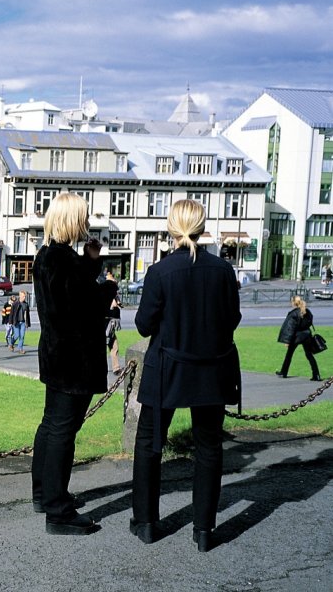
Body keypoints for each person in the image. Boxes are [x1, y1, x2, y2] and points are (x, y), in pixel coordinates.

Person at [131, 199, 242, 552]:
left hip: (168, 367)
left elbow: (144, 324)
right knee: (209, 448)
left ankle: (147, 521)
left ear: (171, 227)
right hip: (212, 367)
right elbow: (233, 318)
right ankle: (204, 530)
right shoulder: (223, 270)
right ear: (201, 225)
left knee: (149, 444)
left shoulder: (161, 271)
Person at [31, 192, 118, 536]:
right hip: (74, 358)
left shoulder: (48, 256)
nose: (87, 223)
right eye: (82, 217)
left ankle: (45, 494)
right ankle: (57, 509)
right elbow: (80, 308)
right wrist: (107, 288)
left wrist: (91, 260)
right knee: (62, 432)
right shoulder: (61, 261)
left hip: (57, 354)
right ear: (73, 220)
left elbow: (72, 293)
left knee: (51, 426)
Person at [275, 295, 321, 381]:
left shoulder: (294, 313)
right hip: (307, 335)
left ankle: (284, 372)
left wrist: (287, 341)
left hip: (296, 336)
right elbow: (309, 322)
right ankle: (316, 375)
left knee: (289, 355)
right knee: (309, 355)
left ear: (293, 303)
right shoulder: (307, 311)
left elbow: (291, 328)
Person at [11, 290, 31, 355]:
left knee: (22, 336)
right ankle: (11, 343)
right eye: (22, 296)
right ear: (19, 296)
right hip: (16, 322)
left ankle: (20, 349)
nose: (24, 297)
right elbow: (12, 313)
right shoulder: (15, 304)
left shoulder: (26, 304)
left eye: (24, 296)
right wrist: (11, 321)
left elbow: (26, 314)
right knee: (16, 335)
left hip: (22, 322)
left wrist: (27, 323)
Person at [105, 294, 122, 375]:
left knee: (114, 348)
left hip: (111, 330)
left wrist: (117, 302)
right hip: (106, 328)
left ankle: (116, 368)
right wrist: (112, 306)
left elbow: (120, 306)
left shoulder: (114, 298)